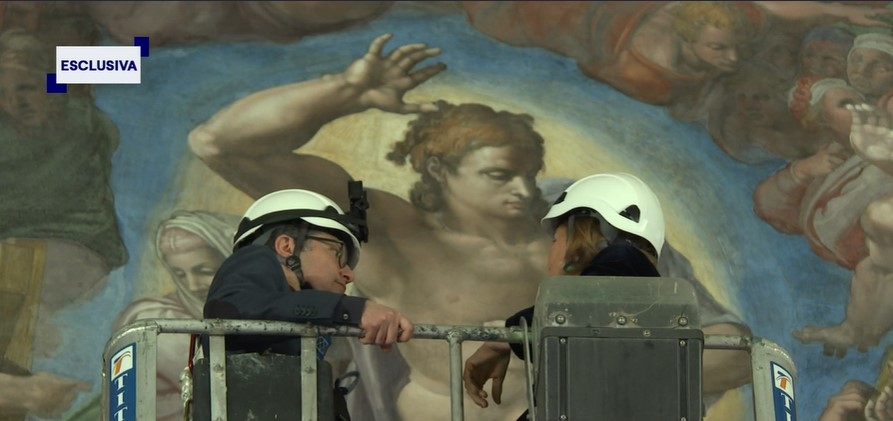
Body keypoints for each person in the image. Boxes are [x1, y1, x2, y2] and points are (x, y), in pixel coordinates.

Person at [188, 33, 752, 420]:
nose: (524, 191)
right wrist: (344, 92)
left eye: (528, 173)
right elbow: (220, 144)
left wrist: (595, 365)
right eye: (499, 175)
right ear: (440, 170)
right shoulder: (391, 233)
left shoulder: (586, 236)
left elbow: (732, 350)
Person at [463, 172, 677, 420]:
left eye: (555, 239)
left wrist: (508, 337)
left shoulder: (624, 262)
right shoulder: (620, 310)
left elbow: (592, 298)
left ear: (580, 234)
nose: (549, 254)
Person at [0, 28, 125, 419]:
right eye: (2, 94)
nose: (14, 102)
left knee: (13, 268)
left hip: (78, 248)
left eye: (25, 88)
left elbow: (133, 60)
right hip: (16, 253)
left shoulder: (83, 122)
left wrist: (62, 74)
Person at [458, 1, 893, 106]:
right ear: (688, 41)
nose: (732, 58)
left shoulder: (714, 19)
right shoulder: (650, 75)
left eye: (735, 49)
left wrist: (840, 9)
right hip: (567, 18)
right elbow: (596, 67)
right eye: (718, 50)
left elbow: (769, 7)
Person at [203, 188, 413, 354]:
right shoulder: (255, 258)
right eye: (337, 253)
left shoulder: (297, 315)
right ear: (287, 247)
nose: (349, 275)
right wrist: (352, 309)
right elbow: (229, 312)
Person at [111, 210, 239, 421]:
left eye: (204, 271)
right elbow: (221, 385)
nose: (192, 285)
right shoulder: (156, 320)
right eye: (180, 275)